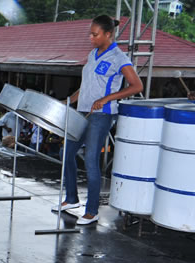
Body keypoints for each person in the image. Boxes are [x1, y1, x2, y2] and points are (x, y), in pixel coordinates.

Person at [58, 15, 143, 225]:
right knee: (65, 152)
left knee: (90, 159)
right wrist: (69, 100)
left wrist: (106, 98)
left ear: (108, 34)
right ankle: (71, 199)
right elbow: (86, 86)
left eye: (95, 34)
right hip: (83, 111)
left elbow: (136, 86)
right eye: (90, 33)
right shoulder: (92, 54)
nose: (90, 37)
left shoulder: (119, 57)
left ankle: (92, 210)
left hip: (103, 114)